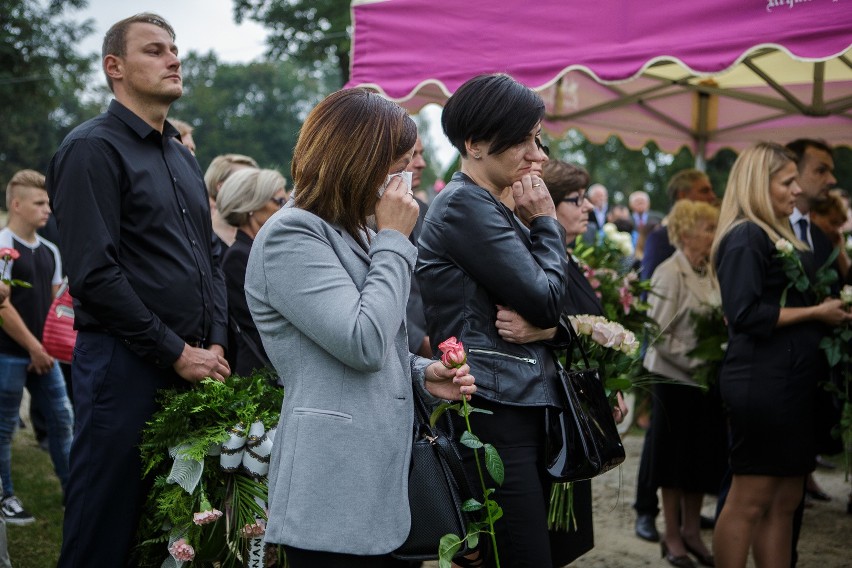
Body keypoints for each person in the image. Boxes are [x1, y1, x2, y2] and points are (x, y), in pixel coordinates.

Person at [244, 88, 475, 567]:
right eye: (398, 161)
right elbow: (362, 342)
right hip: (332, 485)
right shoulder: (292, 234)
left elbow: (374, 340)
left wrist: (420, 373)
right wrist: (394, 239)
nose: (408, 175)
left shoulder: (355, 229)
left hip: (377, 481)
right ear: (358, 159)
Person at [46, 13, 231, 567]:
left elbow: (211, 260)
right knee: (105, 526)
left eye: (175, 49)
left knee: (177, 531)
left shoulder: (179, 154)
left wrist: (215, 342)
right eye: (155, 50)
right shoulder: (91, 149)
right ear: (115, 68)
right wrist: (175, 350)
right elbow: (95, 276)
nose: (174, 59)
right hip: (124, 365)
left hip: (198, 363)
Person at [417, 73, 570, 568]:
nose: (539, 156)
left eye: (538, 139)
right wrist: (547, 221)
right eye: (525, 140)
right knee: (521, 556)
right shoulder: (464, 204)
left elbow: (548, 314)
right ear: (476, 143)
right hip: (491, 407)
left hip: (510, 401)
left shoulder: (490, 205)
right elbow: (546, 299)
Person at [710, 142, 851, 567]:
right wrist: (818, 313)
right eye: (787, 182)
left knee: (787, 498)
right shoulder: (745, 236)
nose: (796, 191)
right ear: (758, 183)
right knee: (750, 499)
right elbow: (744, 313)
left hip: (793, 384)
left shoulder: (777, 234)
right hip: (763, 384)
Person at [634, 168, 717, 543]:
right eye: (704, 191)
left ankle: (690, 528)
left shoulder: (709, 270)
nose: (712, 196)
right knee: (667, 457)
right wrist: (703, 358)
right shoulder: (666, 257)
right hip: (673, 376)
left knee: (696, 458)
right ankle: (659, 524)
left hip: (699, 381)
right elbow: (657, 327)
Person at [0, 170, 74, 526]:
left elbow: (55, 305)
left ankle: (74, 493)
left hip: (46, 356)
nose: (48, 209)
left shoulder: (51, 251)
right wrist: (33, 347)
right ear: (16, 204)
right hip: (9, 354)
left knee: (63, 420)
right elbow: (2, 307)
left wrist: (50, 347)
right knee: (3, 430)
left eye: (49, 203)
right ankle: (6, 496)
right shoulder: (2, 245)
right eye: (40, 203)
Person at [216, 167, 285, 376]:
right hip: (261, 377)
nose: (284, 209)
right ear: (253, 207)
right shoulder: (239, 257)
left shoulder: (258, 250)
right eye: (278, 201)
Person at [405, 136, 432, 357]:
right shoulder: (365, 216)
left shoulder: (426, 211)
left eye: (421, 153)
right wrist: (417, 341)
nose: (421, 163)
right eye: (412, 155)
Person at [204, 153, 260, 247]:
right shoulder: (201, 237)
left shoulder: (258, 237)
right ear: (221, 187)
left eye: (256, 182)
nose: (253, 189)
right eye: (245, 182)